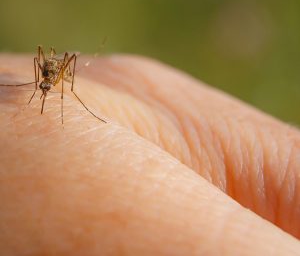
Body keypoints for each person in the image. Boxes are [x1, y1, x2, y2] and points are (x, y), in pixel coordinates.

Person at [0, 54, 299, 255]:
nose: (43, 90)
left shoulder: (59, 75)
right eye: (44, 86)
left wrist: (71, 96)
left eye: (45, 86)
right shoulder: (42, 76)